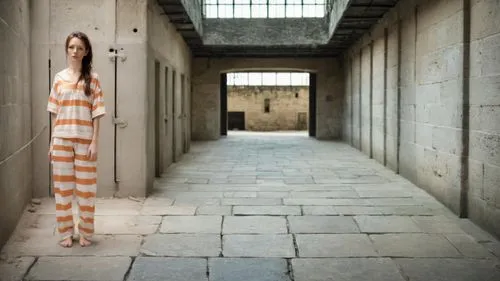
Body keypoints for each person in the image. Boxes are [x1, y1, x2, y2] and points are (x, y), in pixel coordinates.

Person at [47, 31, 105, 247]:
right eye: (72, 47)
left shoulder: (93, 78)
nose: (75, 51)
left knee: (86, 191)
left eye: (80, 48)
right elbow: (55, 112)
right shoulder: (59, 78)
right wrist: (52, 142)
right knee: (62, 191)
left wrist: (95, 141)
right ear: (67, 49)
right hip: (61, 139)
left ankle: (86, 233)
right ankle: (65, 233)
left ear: (86, 52)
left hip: (84, 141)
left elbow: (97, 112)